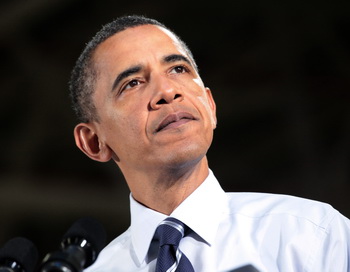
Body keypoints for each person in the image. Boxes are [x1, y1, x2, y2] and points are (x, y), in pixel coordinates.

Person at [69, 15, 350, 272]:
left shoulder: (308, 234)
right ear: (94, 142)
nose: (168, 92)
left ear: (211, 107)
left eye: (178, 68)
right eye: (132, 83)